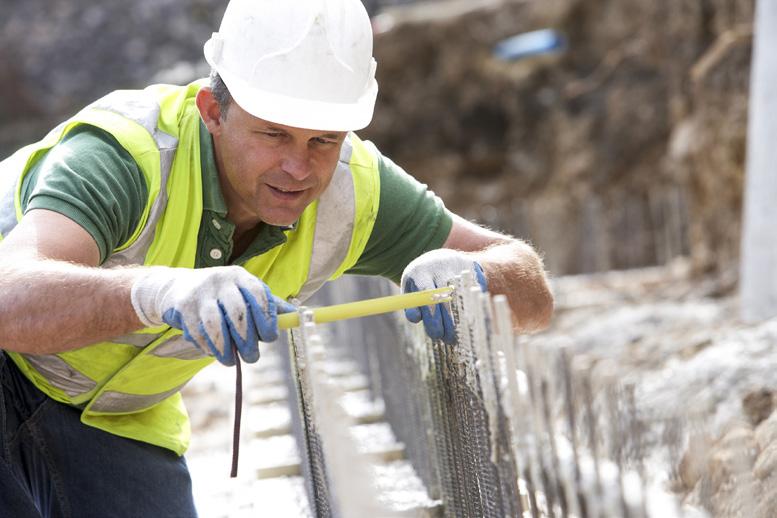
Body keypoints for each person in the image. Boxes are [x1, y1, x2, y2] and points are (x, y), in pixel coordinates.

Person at [0, 0, 553, 516]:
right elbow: (9, 301)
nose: (300, 168)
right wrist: (155, 292)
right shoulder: (127, 157)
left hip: (114, 414)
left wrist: (478, 275)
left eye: (324, 140)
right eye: (273, 134)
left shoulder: (355, 191)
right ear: (212, 109)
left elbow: (532, 292)